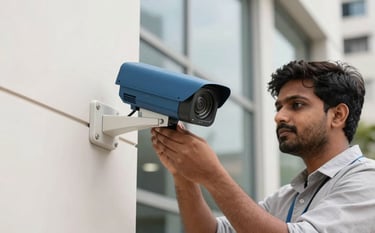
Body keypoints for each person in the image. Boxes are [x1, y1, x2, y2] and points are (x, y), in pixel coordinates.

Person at [150, 60, 375, 233]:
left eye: (297, 105)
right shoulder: (286, 197)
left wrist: (213, 175)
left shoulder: (367, 179)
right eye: (279, 107)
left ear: (337, 115)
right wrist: (182, 173)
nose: (279, 116)